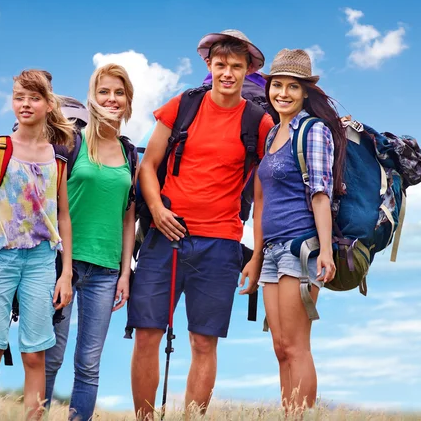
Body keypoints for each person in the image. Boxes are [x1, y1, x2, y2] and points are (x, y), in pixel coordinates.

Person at [128, 30, 275, 418]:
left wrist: (257, 257)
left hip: (221, 244)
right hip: (166, 236)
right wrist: (158, 210)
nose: (228, 73)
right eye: (221, 65)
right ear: (209, 66)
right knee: (146, 335)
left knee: (204, 342)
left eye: (236, 67)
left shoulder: (258, 122)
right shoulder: (183, 105)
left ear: (249, 72)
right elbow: (148, 166)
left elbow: (262, 197)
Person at [0, 69, 74, 418]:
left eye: (34, 98)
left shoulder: (58, 156)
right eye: (19, 97)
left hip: (42, 262)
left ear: (48, 104)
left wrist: (67, 274)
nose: (25, 104)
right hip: (0, 257)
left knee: (34, 354)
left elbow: (63, 217)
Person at [251, 48, 346, 413]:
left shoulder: (312, 129)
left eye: (293, 86)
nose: (283, 93)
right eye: (277, 85)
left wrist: (325, 250)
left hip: (300, 247)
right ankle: (289, 414)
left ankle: (302, 417)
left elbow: (320, 193)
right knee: (280, 347)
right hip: (274, 250)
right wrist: (257, 255)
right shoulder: (275, 131)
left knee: (296, 345)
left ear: (305, 91)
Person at [44, 64, 137, 420]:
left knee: (88, 364)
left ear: (128, 101)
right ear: (92, 97)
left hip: (106, 270)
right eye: (104, 92)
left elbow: (129, 217)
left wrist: (125, 272)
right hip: (62, 263)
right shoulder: (72, 141)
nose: (111, 99)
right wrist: (60, 267)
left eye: (119, 93)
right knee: (51, 356)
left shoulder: (130, 154)